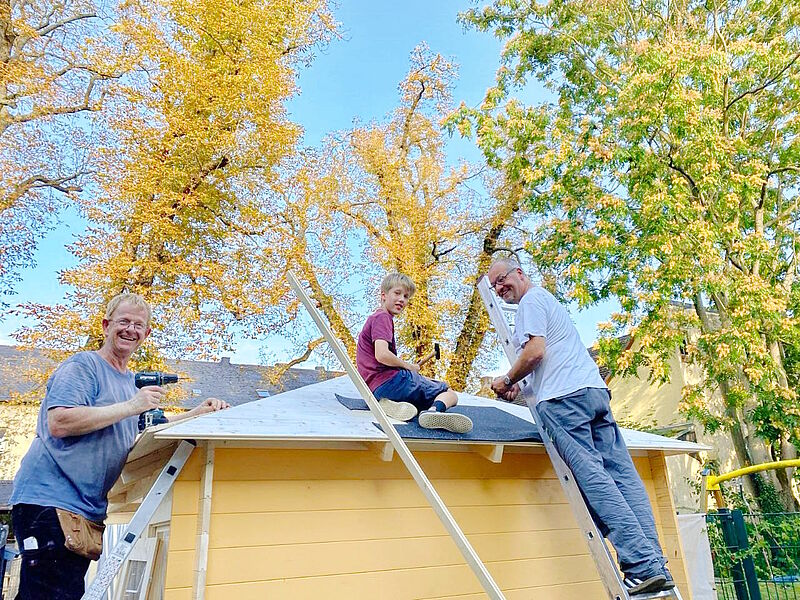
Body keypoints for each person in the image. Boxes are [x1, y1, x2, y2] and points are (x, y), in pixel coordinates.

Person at [9, 293, 231, 600]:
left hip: (83, 511)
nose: (130, 329)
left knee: (60, 592)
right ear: (106, 325)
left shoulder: (129, 385)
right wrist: (132, 406)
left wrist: (195, 415)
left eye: (139, 325)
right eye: (123, 321)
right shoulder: (83, 367)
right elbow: (59, 422)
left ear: (147, 333)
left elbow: (142, 442)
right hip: (49, 501)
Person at [486, 258, 672, 596]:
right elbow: (546, 359)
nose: (500, 288)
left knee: (594, 479)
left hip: (564, 402)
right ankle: (654, 564)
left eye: (502, 279)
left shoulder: (530, 303)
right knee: (624, 478)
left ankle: (641, 565)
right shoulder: (546, 302)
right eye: (495, 286)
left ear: (520, 273)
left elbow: (535, 352)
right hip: (593, 393)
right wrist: (520, 387)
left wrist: (506, 379)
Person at [356, 272, 472, 434]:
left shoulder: (374, 318)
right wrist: (408, 366)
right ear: (383, 295)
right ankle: (433, 413)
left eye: (406, 296)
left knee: (418, 401)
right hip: (392, 382)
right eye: (397, 293)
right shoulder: (383, 318)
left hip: (375, 388)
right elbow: (381, 355)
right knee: (448, 392)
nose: (402, 300)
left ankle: (388, 403)